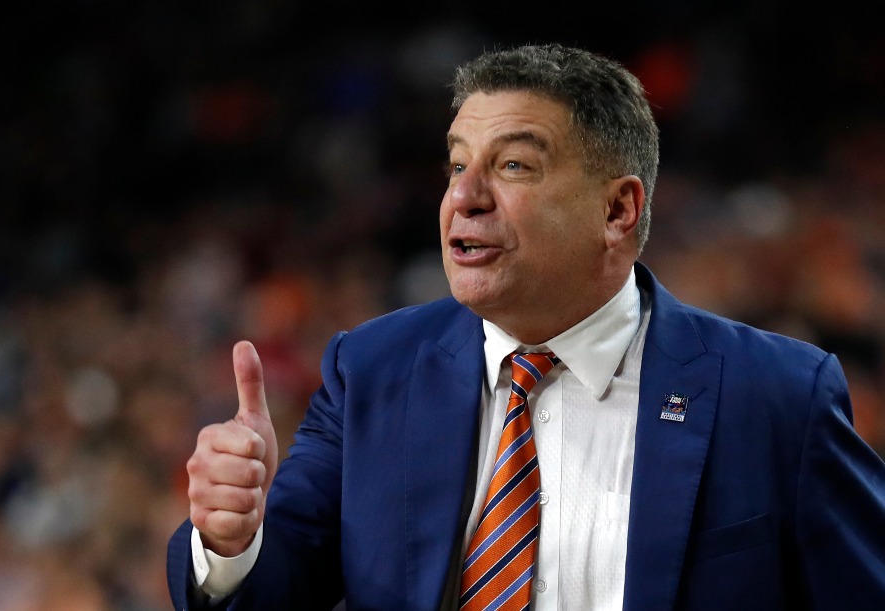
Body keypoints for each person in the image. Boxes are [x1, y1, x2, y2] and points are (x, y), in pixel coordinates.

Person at [166, 43, 885, 610]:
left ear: (617, 210)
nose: (464, 196)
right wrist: (230, 542)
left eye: (512, 164)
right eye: (455, 164)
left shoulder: (778, 395)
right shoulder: (373, 369)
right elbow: (276, 586)